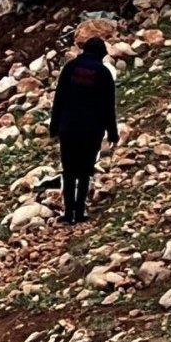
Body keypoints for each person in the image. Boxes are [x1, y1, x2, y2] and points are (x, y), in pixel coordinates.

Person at [49, 37, 119, 224]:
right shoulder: (103, 73)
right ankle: (79, 212)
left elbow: (59, 99)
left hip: (68, 128)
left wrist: (54, 126)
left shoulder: (70, 68)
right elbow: (108, 107)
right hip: (91, 130)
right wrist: (113, 133)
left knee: (69, 171)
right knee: (85, 171)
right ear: (101, 54)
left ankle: (68, 213)